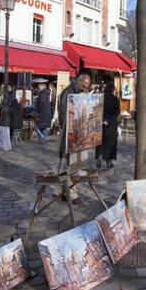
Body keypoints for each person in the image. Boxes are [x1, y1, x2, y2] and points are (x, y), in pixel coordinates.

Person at [57, 73, 92, 205]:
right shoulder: (68, 93)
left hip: (78, 134)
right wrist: (69, 133)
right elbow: (65, 117)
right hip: (70, 135)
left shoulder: (78, 92)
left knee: (74, 164)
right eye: (83, 86)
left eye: (87, 87)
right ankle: (71, 194)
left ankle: (61, 191)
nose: (85, 89)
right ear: (78, 82)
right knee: (73, 164)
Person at [95, 81, 120, 169]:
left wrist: (101, 120)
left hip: (100, 122)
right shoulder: (115, 99)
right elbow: (117, 113)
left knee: (100, 142)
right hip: (111, 124)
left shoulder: (100, 98)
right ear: (113, 90)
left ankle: (99, 158)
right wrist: (108, 121)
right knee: (110, 142)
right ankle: (108, 162)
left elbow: (96, 110)